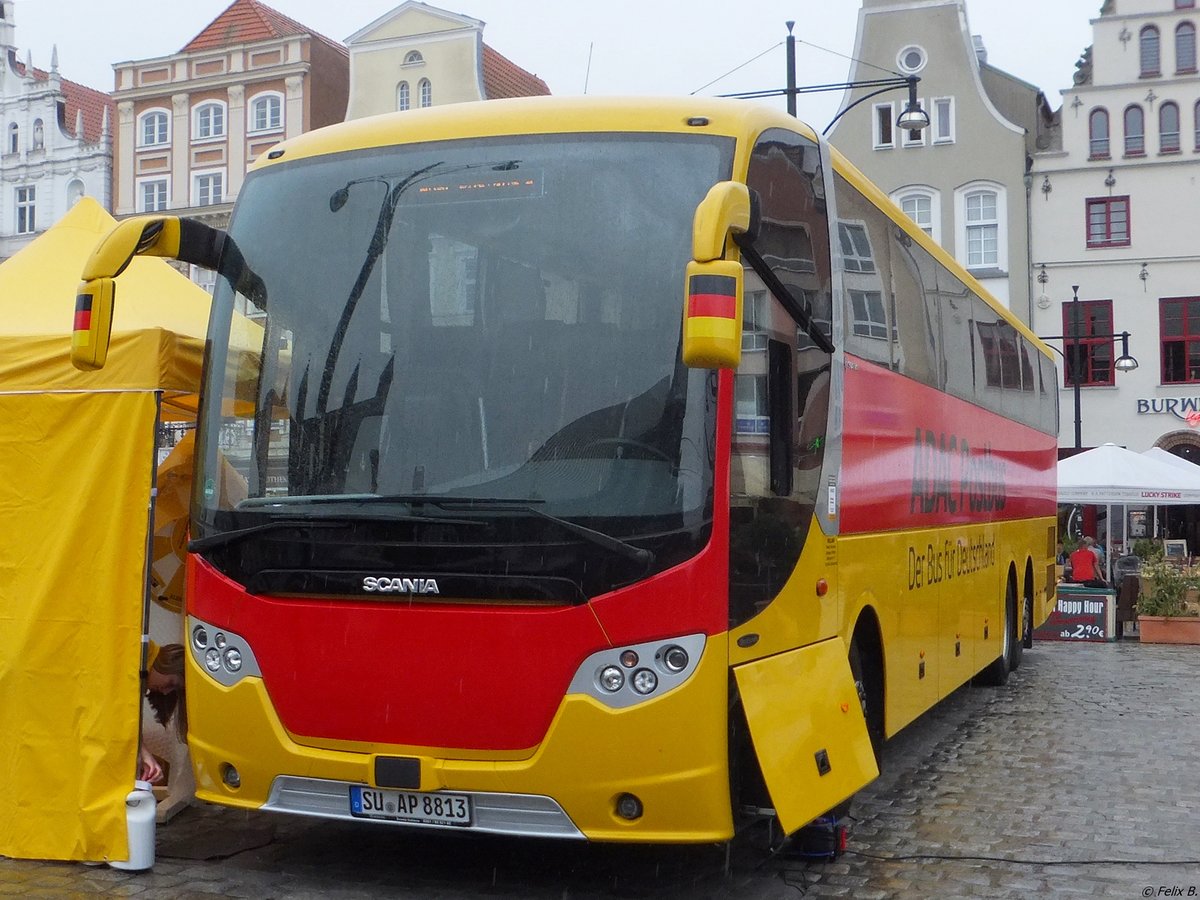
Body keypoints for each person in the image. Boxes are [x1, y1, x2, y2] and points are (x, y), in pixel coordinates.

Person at [139, 642, 186, 784]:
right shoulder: (136, 655)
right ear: (168, 664)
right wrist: (144, 754)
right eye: (171, 683)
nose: (166, 692)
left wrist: (144, 754)